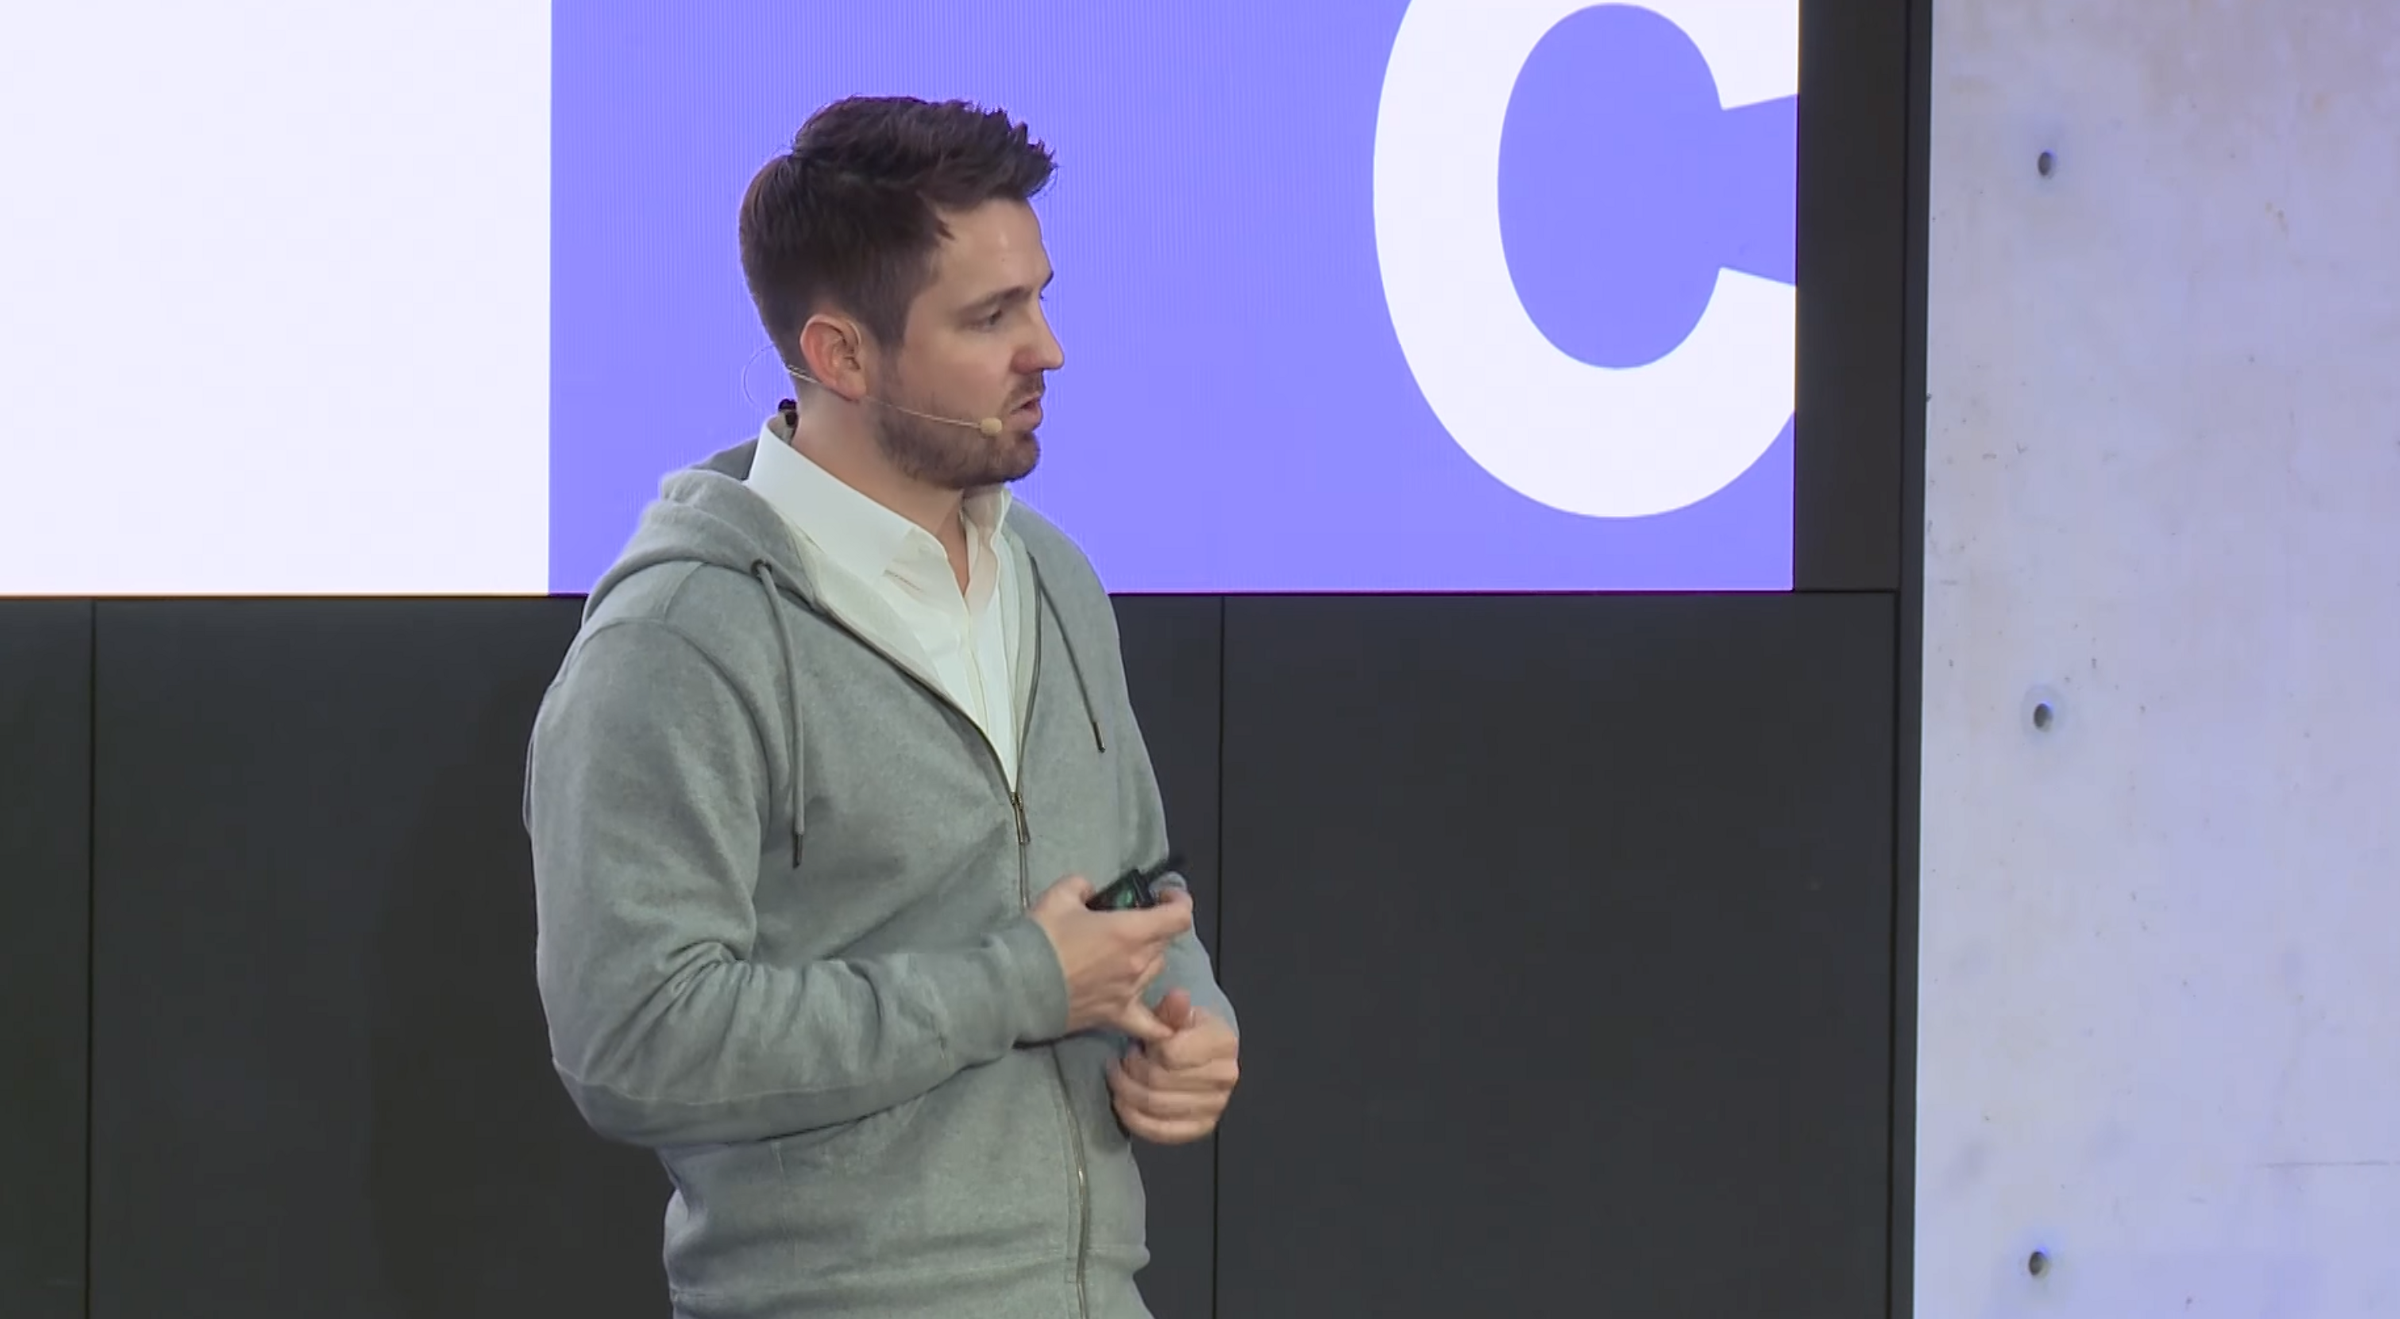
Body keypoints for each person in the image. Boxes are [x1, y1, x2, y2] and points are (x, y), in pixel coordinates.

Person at [523, 96, 1240, 1319]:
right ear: (842, 355)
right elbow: (634, 1040)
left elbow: (1133, 890)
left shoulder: (1052, 577)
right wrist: (1015, 985)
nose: (1048, 348)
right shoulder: (680, 641)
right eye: (991, 317)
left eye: (1040, 297)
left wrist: (1191, 1019)